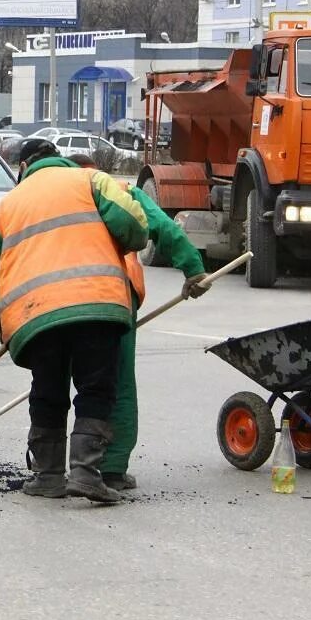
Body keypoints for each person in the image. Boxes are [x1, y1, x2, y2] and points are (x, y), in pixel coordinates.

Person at [0, 138, 149, 503]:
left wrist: (2, 327)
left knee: (48, 390)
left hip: (36, 315)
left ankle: (48, 476)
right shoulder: (92, 181)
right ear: (60, 160)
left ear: (22, 169)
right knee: (96, 388)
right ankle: (86, 473)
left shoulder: (6, 207)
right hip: (96, 305)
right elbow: (134, 226)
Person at [60, 154, 212, 492]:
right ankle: (110, 468)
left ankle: (50, 471)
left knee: (54, 378)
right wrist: (193, 269)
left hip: (55, 296)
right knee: (115, 381)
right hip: (112, 294)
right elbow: (163, 226)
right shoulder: (117, 188)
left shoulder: (53, 194)